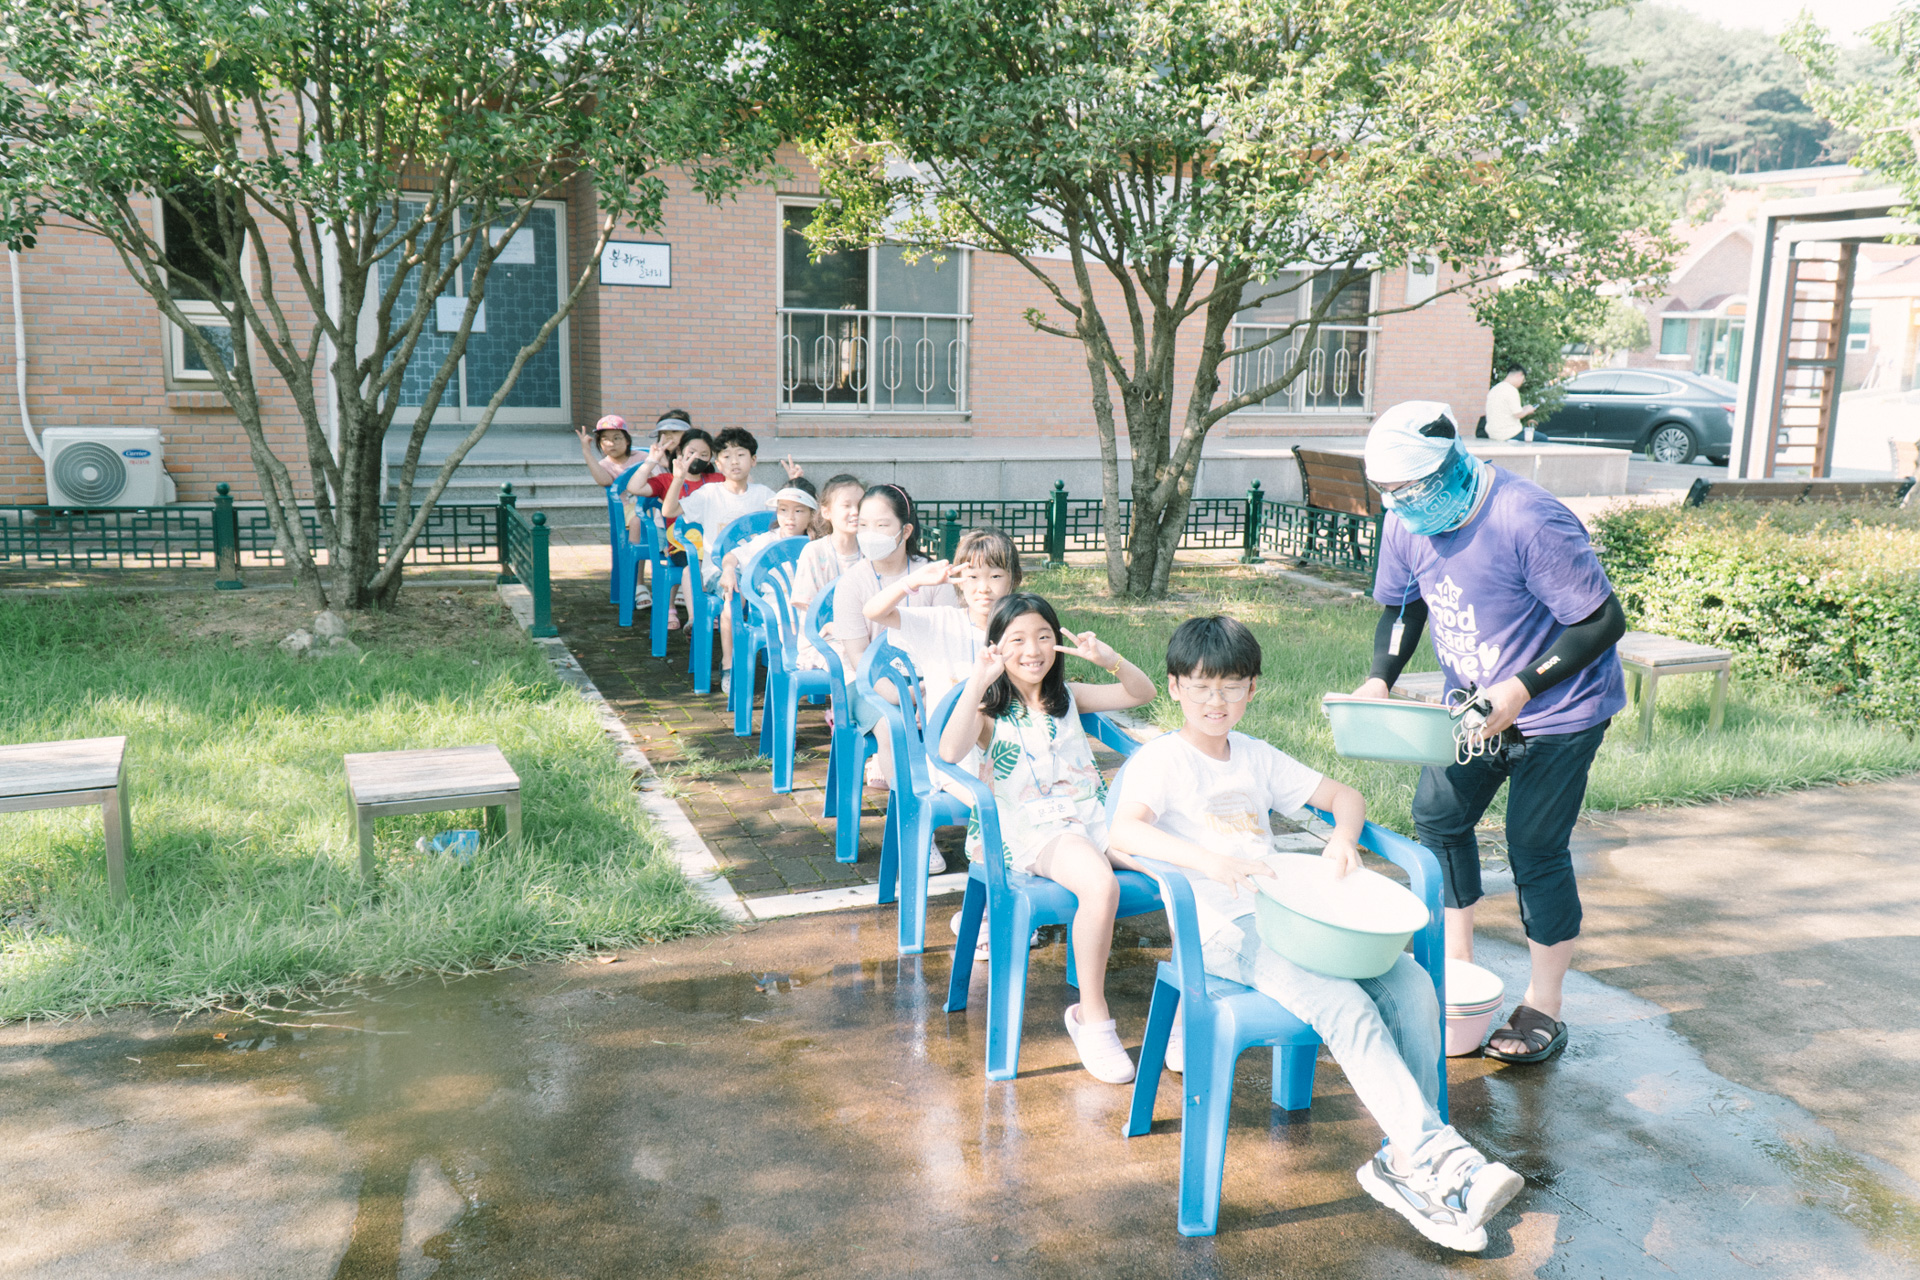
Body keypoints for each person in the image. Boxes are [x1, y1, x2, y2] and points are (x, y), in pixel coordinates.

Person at [1105, 615, 1524, 1254]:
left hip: (1291, 915)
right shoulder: (1162, 761)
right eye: (1201, 687)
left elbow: (1345, 796)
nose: (1216, 701)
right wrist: (1209, 862)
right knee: (1343, 1002)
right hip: (1222, 928)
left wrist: (1342, 841)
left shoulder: (1254, 755)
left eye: (1231, 687)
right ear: (1175, 687)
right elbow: (1124, 832)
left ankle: (1409, 1160)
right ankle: (1437, 1159)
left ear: (1252, 689)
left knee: (1412, 985)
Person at [1353, 400, 1626, 1066]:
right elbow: (1403, 607)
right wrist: (1379, 679)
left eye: (1410, 491)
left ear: (1451, 467)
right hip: (1473, 709)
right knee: (1438, 818)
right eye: (1386, 493)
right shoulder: (1407, 522)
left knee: (1535, 848)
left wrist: (1522, 687)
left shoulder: (1526, 519)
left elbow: (1602, 622)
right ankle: (1457, 972)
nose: (1398, 506)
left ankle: (1544, 1006)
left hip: (1560, 713)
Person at [939, 592, 1156, 1084]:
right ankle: (1091, 1016)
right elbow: (949, 752)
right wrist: (978, 679)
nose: (1032, 650)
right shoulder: (989, 708)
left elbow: (1141, 693)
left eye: (1043, 637)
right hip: (1033, 831)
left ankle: (1184, 1016)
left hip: (1094, 817)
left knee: (1174, 866)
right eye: (1016, 640)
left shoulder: (1069, 696)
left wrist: (1109, 659)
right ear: (996, 646)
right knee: (1100, 885)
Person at [663, 428, 790, 688]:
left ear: (753, 460)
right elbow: (669, 510)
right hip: (718, 574)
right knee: (734, 591)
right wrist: (678, 479)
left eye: (741, 455)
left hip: (760, 573)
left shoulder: (764, 495)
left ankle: (789, 662)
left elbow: (789, 520)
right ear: (717, 463)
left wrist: (795, 484)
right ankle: (729, 663)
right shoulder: (709, 493)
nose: (734, 461)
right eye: (727, 456)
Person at [640, 427, 720, 631]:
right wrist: (651, 461)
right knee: (694, 566)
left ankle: (712, 611)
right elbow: (634, 487)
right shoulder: (667, 480)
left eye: (704, 455)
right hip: (681, 547)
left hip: (711, 544)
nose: (696, 458)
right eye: (691, 452)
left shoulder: (716, 480)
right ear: (679, 452)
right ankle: (693, 616)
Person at [789, 473, 866, 664]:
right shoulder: (814, 551)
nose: (855, 512)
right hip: (822, 639)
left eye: (860, 505)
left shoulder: (870, 552)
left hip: (864, 634)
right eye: (846, 506)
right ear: (826, 512)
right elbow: (809, 605)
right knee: (851, 661)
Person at [1483, 367, 1539, 443]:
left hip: (1493, 434)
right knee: (1543, 439)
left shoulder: (1495, 389)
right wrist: (1528, 410)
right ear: (1519, 375)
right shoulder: (1511, 390)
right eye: (1523, 380)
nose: (1521, 383)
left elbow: (1508, 411)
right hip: (1509, 434)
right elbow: (1518, 414)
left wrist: (1524, 409)